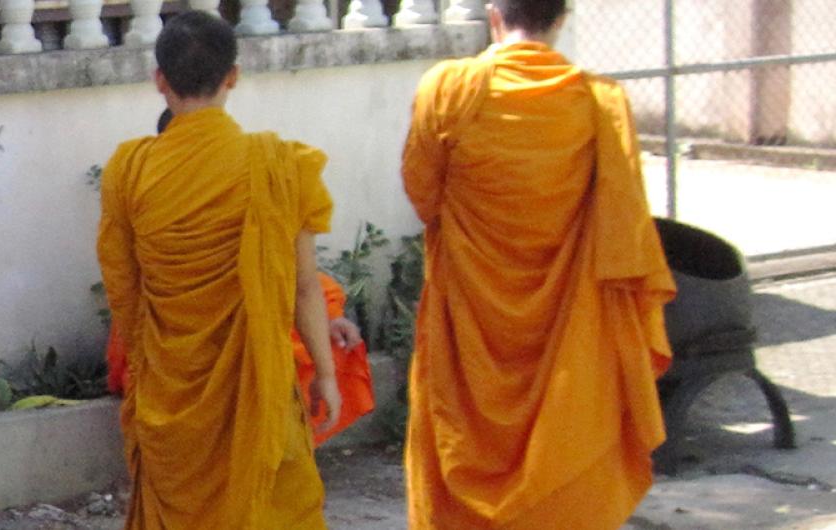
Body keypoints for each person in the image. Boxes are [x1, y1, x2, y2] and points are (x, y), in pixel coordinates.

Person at [400, 1, 675, 527]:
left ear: (493, 16)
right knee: (569, 444)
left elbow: (422, 194)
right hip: (569, 326)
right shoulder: (599, 102)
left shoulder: (449, 87)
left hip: (470, 320)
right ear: (562, 19)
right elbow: (623, 224)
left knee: (458, 442)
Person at [96, 11, 339, 528]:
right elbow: (304, 289)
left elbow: (125, 290)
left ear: (159, 80)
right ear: (233, 76)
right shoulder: (280, 165)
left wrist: (146, 363)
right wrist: (326, 374)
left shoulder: (129, 169)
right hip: (256, 392)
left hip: (169, 393)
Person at [104, 109, 374, 446]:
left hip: (245, 331)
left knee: (315, 349)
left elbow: (291, 277)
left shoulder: (246, 182)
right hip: (171, 343)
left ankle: (273, 457)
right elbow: (126, 286)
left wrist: (330, 317)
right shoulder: (147, 190)